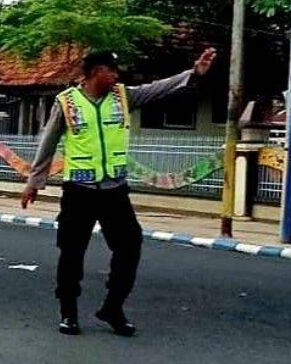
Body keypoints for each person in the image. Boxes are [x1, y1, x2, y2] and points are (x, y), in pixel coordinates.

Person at [21, 46, 217, 337]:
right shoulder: (66, 103)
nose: (115, 75)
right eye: (109, 70)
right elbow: (47, 143)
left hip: (114, 191)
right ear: (94, 73)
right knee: (72, 252)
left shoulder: (124, 97)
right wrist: (34, 183)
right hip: (79, 191)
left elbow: (157, 89)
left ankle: (113, 307)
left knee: (130, 245)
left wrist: (193, 73)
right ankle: (68, 311)